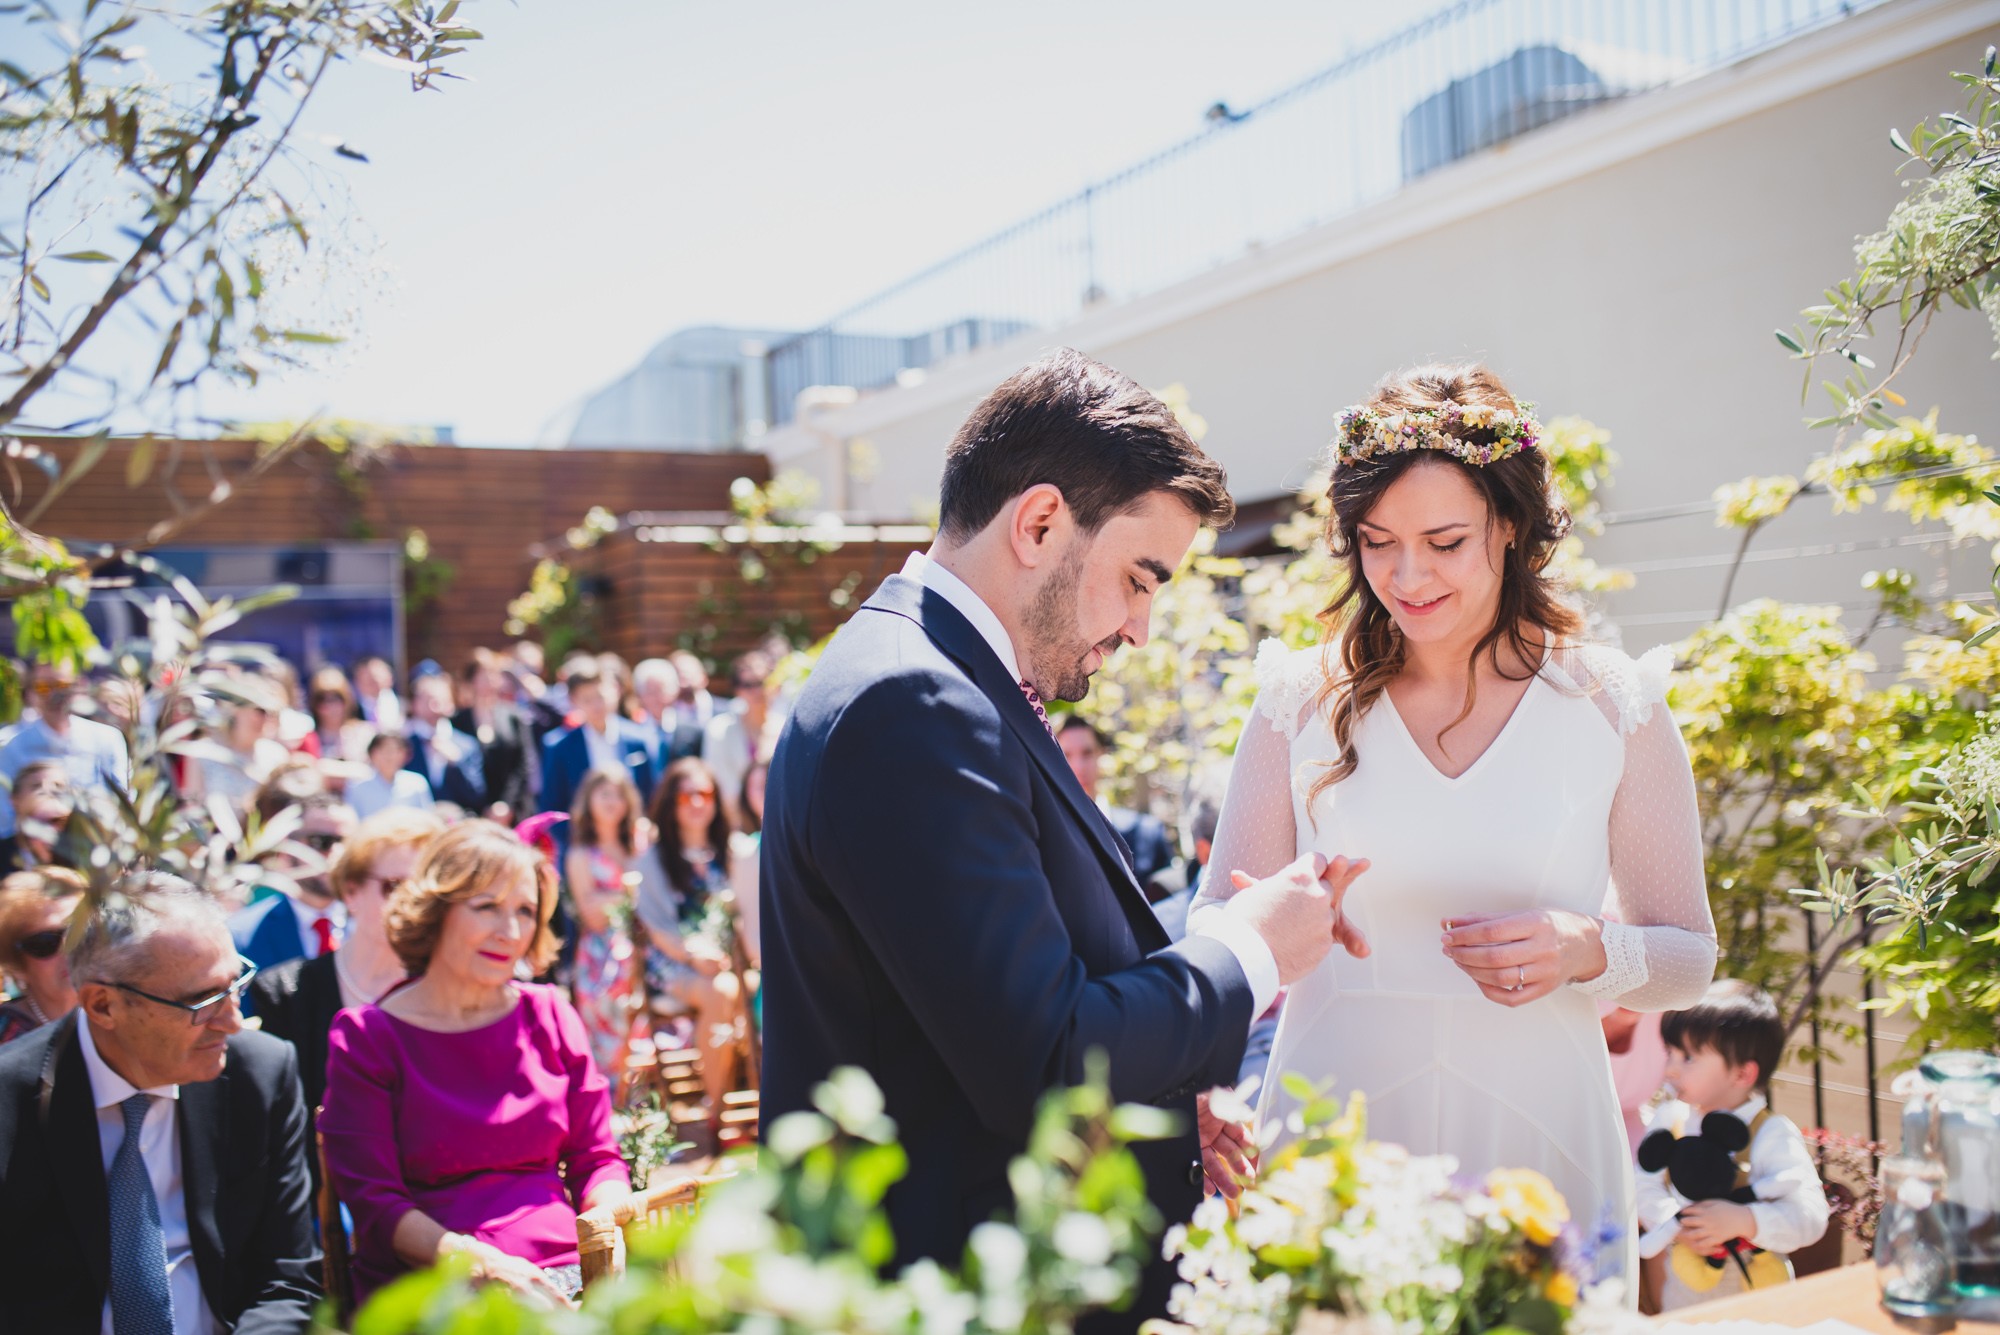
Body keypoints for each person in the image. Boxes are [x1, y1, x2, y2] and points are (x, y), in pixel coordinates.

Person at [760, 348, 1365, 1332]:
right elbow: (1043, 1060)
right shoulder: (913, 704)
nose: (1139, 627)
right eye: (1138, 577)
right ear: (1039, 523)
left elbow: (1012, 990)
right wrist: (1252, 949)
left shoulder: (936, 680)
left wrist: (1170, 1094)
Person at [1195, 364, 1719, 1289]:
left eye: (1443, 541)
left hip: (1541, 1124)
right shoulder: (1296, 700)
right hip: (1334, 1121)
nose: (1407, 575)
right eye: (1378, 541)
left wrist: (1584, 947)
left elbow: (1688, 956)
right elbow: (1215, 918)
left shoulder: (1612, 703)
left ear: (1508, 527)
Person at [319, 821, 630, 1306]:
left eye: (525, 911)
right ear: (436, 910)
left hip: (566, 1276)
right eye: (486, 907)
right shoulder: (368, 1039)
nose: (510, 932)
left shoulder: (549, 1014)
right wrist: (480, 1265)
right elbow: (376, 1204)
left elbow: (597, 1160)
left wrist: (606, 1228)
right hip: (434, 1285)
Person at [0, 873, 319, 1333]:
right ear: (103, 1006)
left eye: (236, 983)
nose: (232, 1020)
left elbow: (287, 1277)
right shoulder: (12, 1102)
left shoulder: (260, 1073)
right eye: (203, 1000)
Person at [250, 806, 443, 1159]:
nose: (414, 906)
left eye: (428, 893)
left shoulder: (447, 991)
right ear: (351, 891)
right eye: (395, 887)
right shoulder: (287, 994)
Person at [1637, 980, 1830, 1309]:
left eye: (1688, 1058)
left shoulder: (1771, 1134)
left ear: (1742, 1074)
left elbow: (1811, 1215)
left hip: (1762, 1302)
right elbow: (1641, 1187)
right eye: (1670, 1053)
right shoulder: (1670, 1120)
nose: (1670, 1069)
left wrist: (1747, 1220)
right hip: (1686, 1297)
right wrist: (1677, 1222)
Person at [636, 757, 749, 1119]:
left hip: (727, 961)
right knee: (722, 992)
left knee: (737, 988)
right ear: (671, 803)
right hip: (673, 965)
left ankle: (748, 1095)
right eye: (687, 796)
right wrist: (692, 955)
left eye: (705, 794)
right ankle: (718, 1109)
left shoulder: (731, 854)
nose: (698, 803)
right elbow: (656, 926)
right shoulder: (653, 860)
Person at [563, 768, 644, 1081]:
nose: (613, 802)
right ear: (589, 800)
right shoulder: (581, 854)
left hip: (643, 948)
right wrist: (629, 891)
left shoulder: (638, 845)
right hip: (602, 957)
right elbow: (591, 913)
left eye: (619, 794)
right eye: (605, 794)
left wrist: (611, 895)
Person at [231, 789, 356, 979]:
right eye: (321, 841)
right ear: (287, 848)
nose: (336, 855)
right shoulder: (242, 937)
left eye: (348, 844)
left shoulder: (376, 926)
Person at [0, 658, 129, 843]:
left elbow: (123, 803)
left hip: (99, 850)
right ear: (30, 694)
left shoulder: (107, 739)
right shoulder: (10, 746)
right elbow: (5, 820)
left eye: (62, 685)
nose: (54, 695)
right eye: (44, 687)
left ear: (79, 686)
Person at [1055, 714, 1175, 884]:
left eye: (1087, 753)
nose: (1078, 766)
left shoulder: (1147, 833)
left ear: (1101, 754)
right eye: (1066, 755)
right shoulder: (1046, 834)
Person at [539, 660, 656, 822]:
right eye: (587, 699)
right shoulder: (559, 746)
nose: (596, 706)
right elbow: (551, 807)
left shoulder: (639, 738)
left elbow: (651, 794)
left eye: (601, 697)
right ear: (573, 701)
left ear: (616, 691)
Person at [0, 866, 84, 1043]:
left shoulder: (128, 1012)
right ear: (17, 966)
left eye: (78, 932)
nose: (67, 950)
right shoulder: (6, 1039)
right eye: (45, 942)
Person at [458, 649, 538, 824]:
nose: (489, 681)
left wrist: (506, 804)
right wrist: (484, 807)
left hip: (512, 810)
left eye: (493, 675)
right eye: (483, 676)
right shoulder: (458, 721)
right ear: (471, 680)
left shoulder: (514, 716)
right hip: (474, 812)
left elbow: (523, 764)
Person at [185, 682, 290, 813]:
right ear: (237, 708)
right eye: (260, 710)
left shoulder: (277, 755)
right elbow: (192, 808)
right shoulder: (202, 753)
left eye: (273, 713)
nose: (267, 718)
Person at [703, 651, 774, 829]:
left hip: (779, 824)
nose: (756, 691)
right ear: (737, 690)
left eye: (762, 682)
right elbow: (720, 785)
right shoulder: (719, 730)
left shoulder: (786, 726)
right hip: (735, 827)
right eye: (747, 685)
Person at [405, 674, 489, 813]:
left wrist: (456, 763)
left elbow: (477, 796)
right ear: (414, 704)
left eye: (439, 699)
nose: (433, 704)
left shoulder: (466, 745)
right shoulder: (404, 743)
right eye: (426, 698)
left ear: (451, 704)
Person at [2, 757, 76, 872]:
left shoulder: (83, 855)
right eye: (36, 786)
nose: (48, 791)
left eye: (58, 786)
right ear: (15, 800)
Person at [347, 730, 437, 821]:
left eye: (394, 750)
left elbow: (427, 819)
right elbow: (353, 824)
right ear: (372, 754)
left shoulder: (417, 783)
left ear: (405, 754)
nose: (389, 756)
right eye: (382, 750)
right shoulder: (358, 788)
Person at [632, 657, 701, 770]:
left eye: (661, 689)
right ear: (640, 695)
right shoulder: (632, 731)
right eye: (649, 691)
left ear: (674, 690)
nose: (656, 698)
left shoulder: (693, 731)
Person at [307, 666, 372, 765]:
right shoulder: (307, 736)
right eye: (322, 699)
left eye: (336, 698)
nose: (330, 705)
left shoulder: (364, 732)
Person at [351, 654, 404, 732]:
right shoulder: (351, 711)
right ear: (357, 682)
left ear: (390, 678)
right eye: (367, 677)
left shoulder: (407, 709)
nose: (373, 680)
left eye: (377, 675)